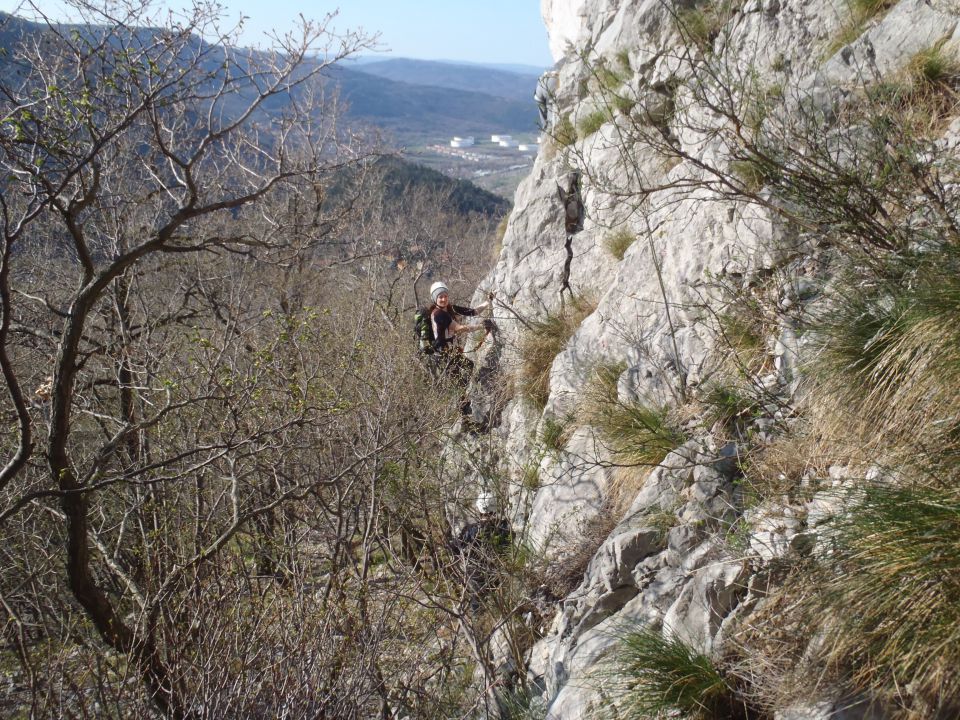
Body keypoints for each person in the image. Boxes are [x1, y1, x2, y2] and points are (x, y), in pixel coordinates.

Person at [427, 281, 493, 388]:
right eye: (440, 297)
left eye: (445, 296)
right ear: (435, 299)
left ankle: (467, 395)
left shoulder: (450, 308)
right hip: (443, 355)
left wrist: (488, 302)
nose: (444, 299)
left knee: (468, 368)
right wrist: (481, 326)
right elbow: (459, 329)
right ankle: (465, 399)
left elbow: (473, 312)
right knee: (459, 382)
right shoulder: (438, 314)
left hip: (450, 352)